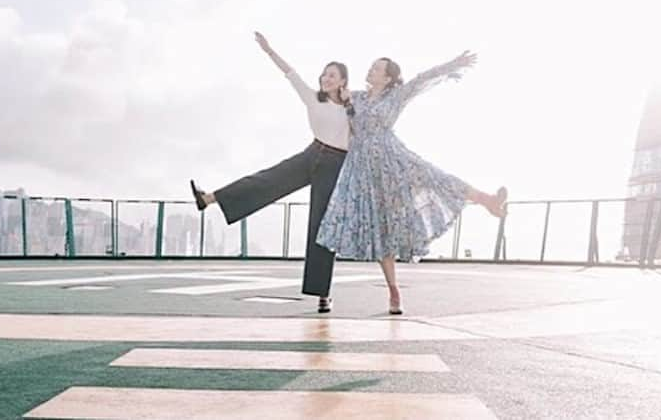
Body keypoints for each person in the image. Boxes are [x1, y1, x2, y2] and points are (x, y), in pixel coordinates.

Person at [316, 51, 507, 315]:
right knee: (381, 229)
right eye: (371, 66)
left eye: (376, 68)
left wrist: (452, 65)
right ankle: (393, 290)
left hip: (392, 160)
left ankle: (488, 200)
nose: (370, 70)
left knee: (435, 177)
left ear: (388, 77)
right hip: (363, 171)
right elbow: (333, 102)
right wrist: (335, 87)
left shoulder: (396, 95)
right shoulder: (356, 97)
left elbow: (423, 79)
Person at [190, 31, 350, 313]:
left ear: (343, 81)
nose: (326, 78)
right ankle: (209, 199)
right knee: (266, 180)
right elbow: (290, 73)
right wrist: (269, 50)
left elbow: (364, 132)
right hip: (312, 154)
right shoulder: (314, 98)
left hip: (336, 165)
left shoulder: (353, 106)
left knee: (321, 227)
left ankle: (322, 293)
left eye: (333, 75)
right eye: (324, 74)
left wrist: (351, 106)